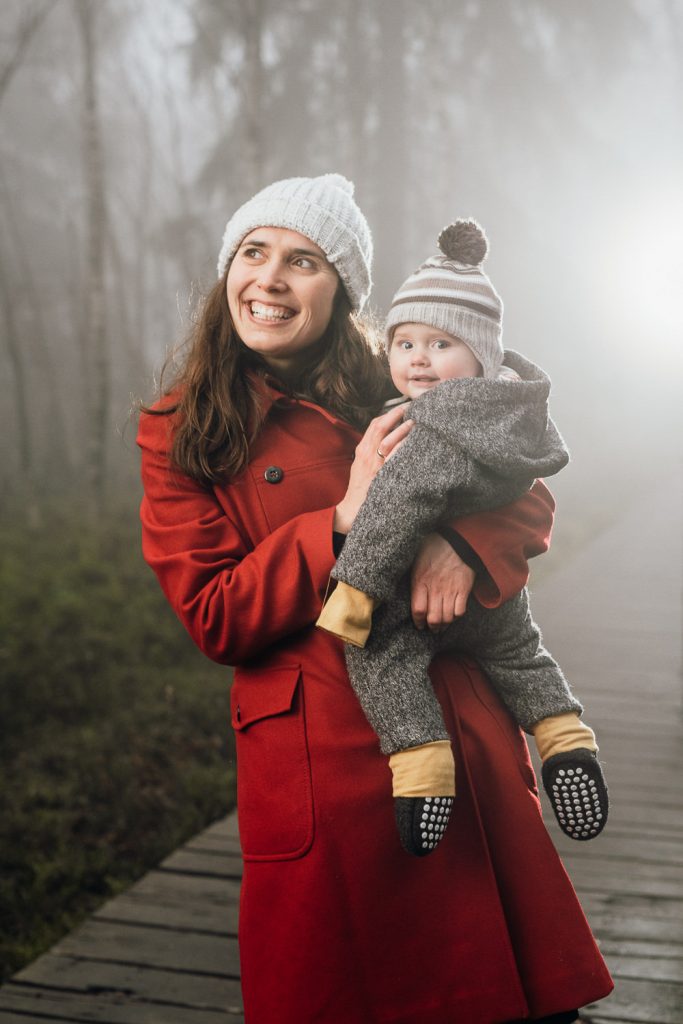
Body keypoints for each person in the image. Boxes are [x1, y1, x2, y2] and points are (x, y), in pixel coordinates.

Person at [137, 173, 613, 1024]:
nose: (270, 279)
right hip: (318, 760)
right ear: (227, 271)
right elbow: (214, 615)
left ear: (342, 289)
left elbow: (524, 485)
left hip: (455, 721)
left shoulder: (403, 371)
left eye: (303, 261)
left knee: (507, 998)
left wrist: (461, 547)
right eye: (253, 253)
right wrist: (339, 521)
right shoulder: (180, 428)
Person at [316, 219, 608, 857]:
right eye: (405, 343)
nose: (418, 358)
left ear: (481, 355)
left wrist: (354, 591)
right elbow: (526, 489)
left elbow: (398, 504)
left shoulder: (434, 423)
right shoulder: (510, 415)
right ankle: (564, 735)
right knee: (521, 656)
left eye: (440, 343)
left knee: (381, 658)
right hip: (496, 600)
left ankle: (422, 768)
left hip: (410, 601)